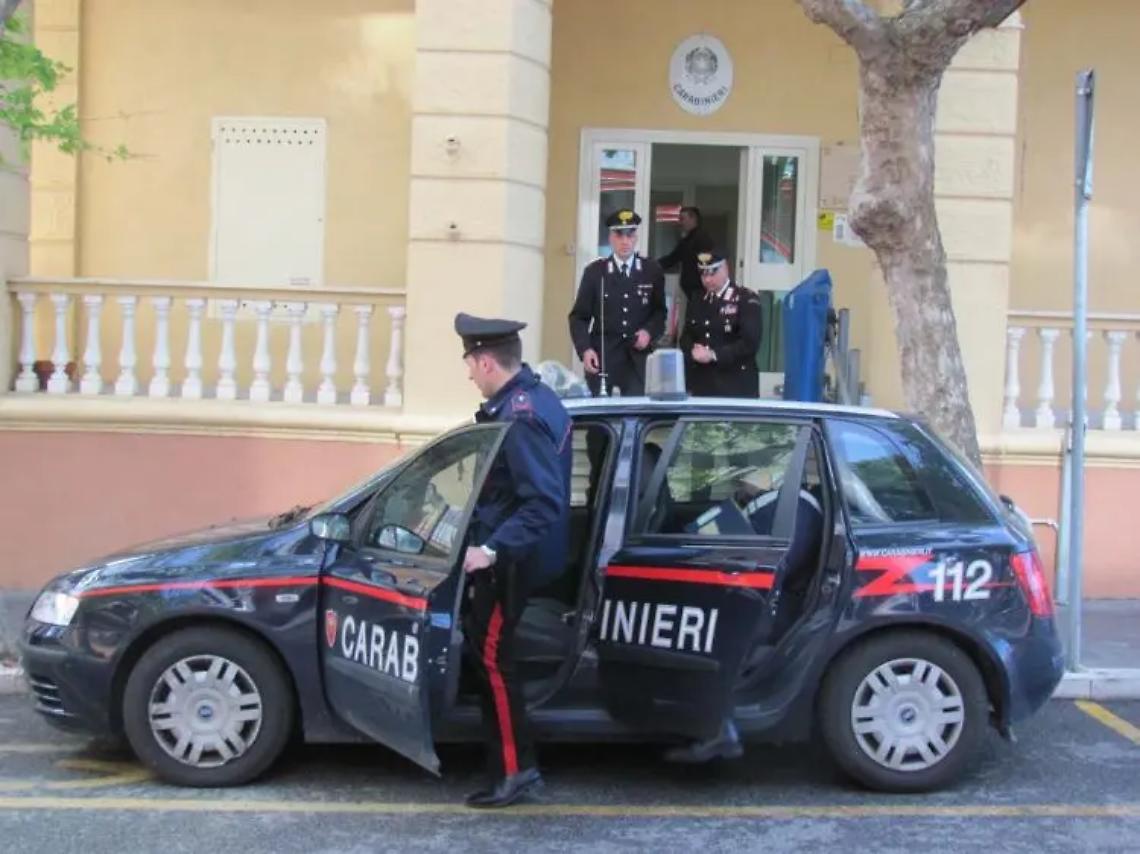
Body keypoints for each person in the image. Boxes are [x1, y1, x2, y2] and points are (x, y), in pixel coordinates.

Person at [454, 312, 573, 809]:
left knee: (492, 662)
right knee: (491, 659)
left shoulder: (518, 416)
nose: (467, 375)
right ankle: (513, 763)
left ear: (485, 362)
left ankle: (515, 770)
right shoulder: (533, 397)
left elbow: (543, 501)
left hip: (508, 563)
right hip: (516, 554)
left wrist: (491, 549)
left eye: (468, 364)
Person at [568, 209, 666, 397]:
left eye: (630, 235)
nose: (625, 241)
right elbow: (578, 317)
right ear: (611, 238)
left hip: (638, 361)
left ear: (636, 237)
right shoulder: (595, 272)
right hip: (604, 358)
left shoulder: (651, 270)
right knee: (601, 423)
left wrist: (649, 332)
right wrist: (585, 350)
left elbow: (660, 313)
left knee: (636, 420)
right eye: (619, 235)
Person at [680, 250, 762, 398]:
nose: (708, 279)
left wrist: (713, 355)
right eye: (703, 274)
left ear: (725, 269)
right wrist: (693, 350)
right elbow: (686, 335)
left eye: (712, 273)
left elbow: (750, 342)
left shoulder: (745, 299)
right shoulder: (697, 299)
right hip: (702, 383)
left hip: (735, 384)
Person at [656, 205, 715, 303]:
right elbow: (672, 258)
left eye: (682, 219)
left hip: (700, 290)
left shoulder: (702, 238)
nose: (680, 222)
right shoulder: (687, 241)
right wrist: (651, 265)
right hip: (693, 291)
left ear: (693, 219)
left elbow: (707, 264)